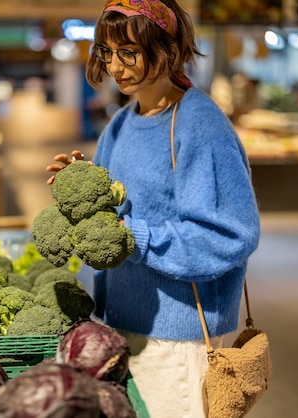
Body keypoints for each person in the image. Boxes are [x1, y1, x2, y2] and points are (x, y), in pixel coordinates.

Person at [45, 1, 261, 417]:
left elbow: (233, 233)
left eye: (129, 53)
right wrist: (82, 186)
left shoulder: (199, 123)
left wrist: (135, 236)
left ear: (165, 47)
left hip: (178, 340)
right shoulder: (123, 122)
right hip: (123, 326)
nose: (116, 66)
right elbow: (116, 208)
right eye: (108, 52)